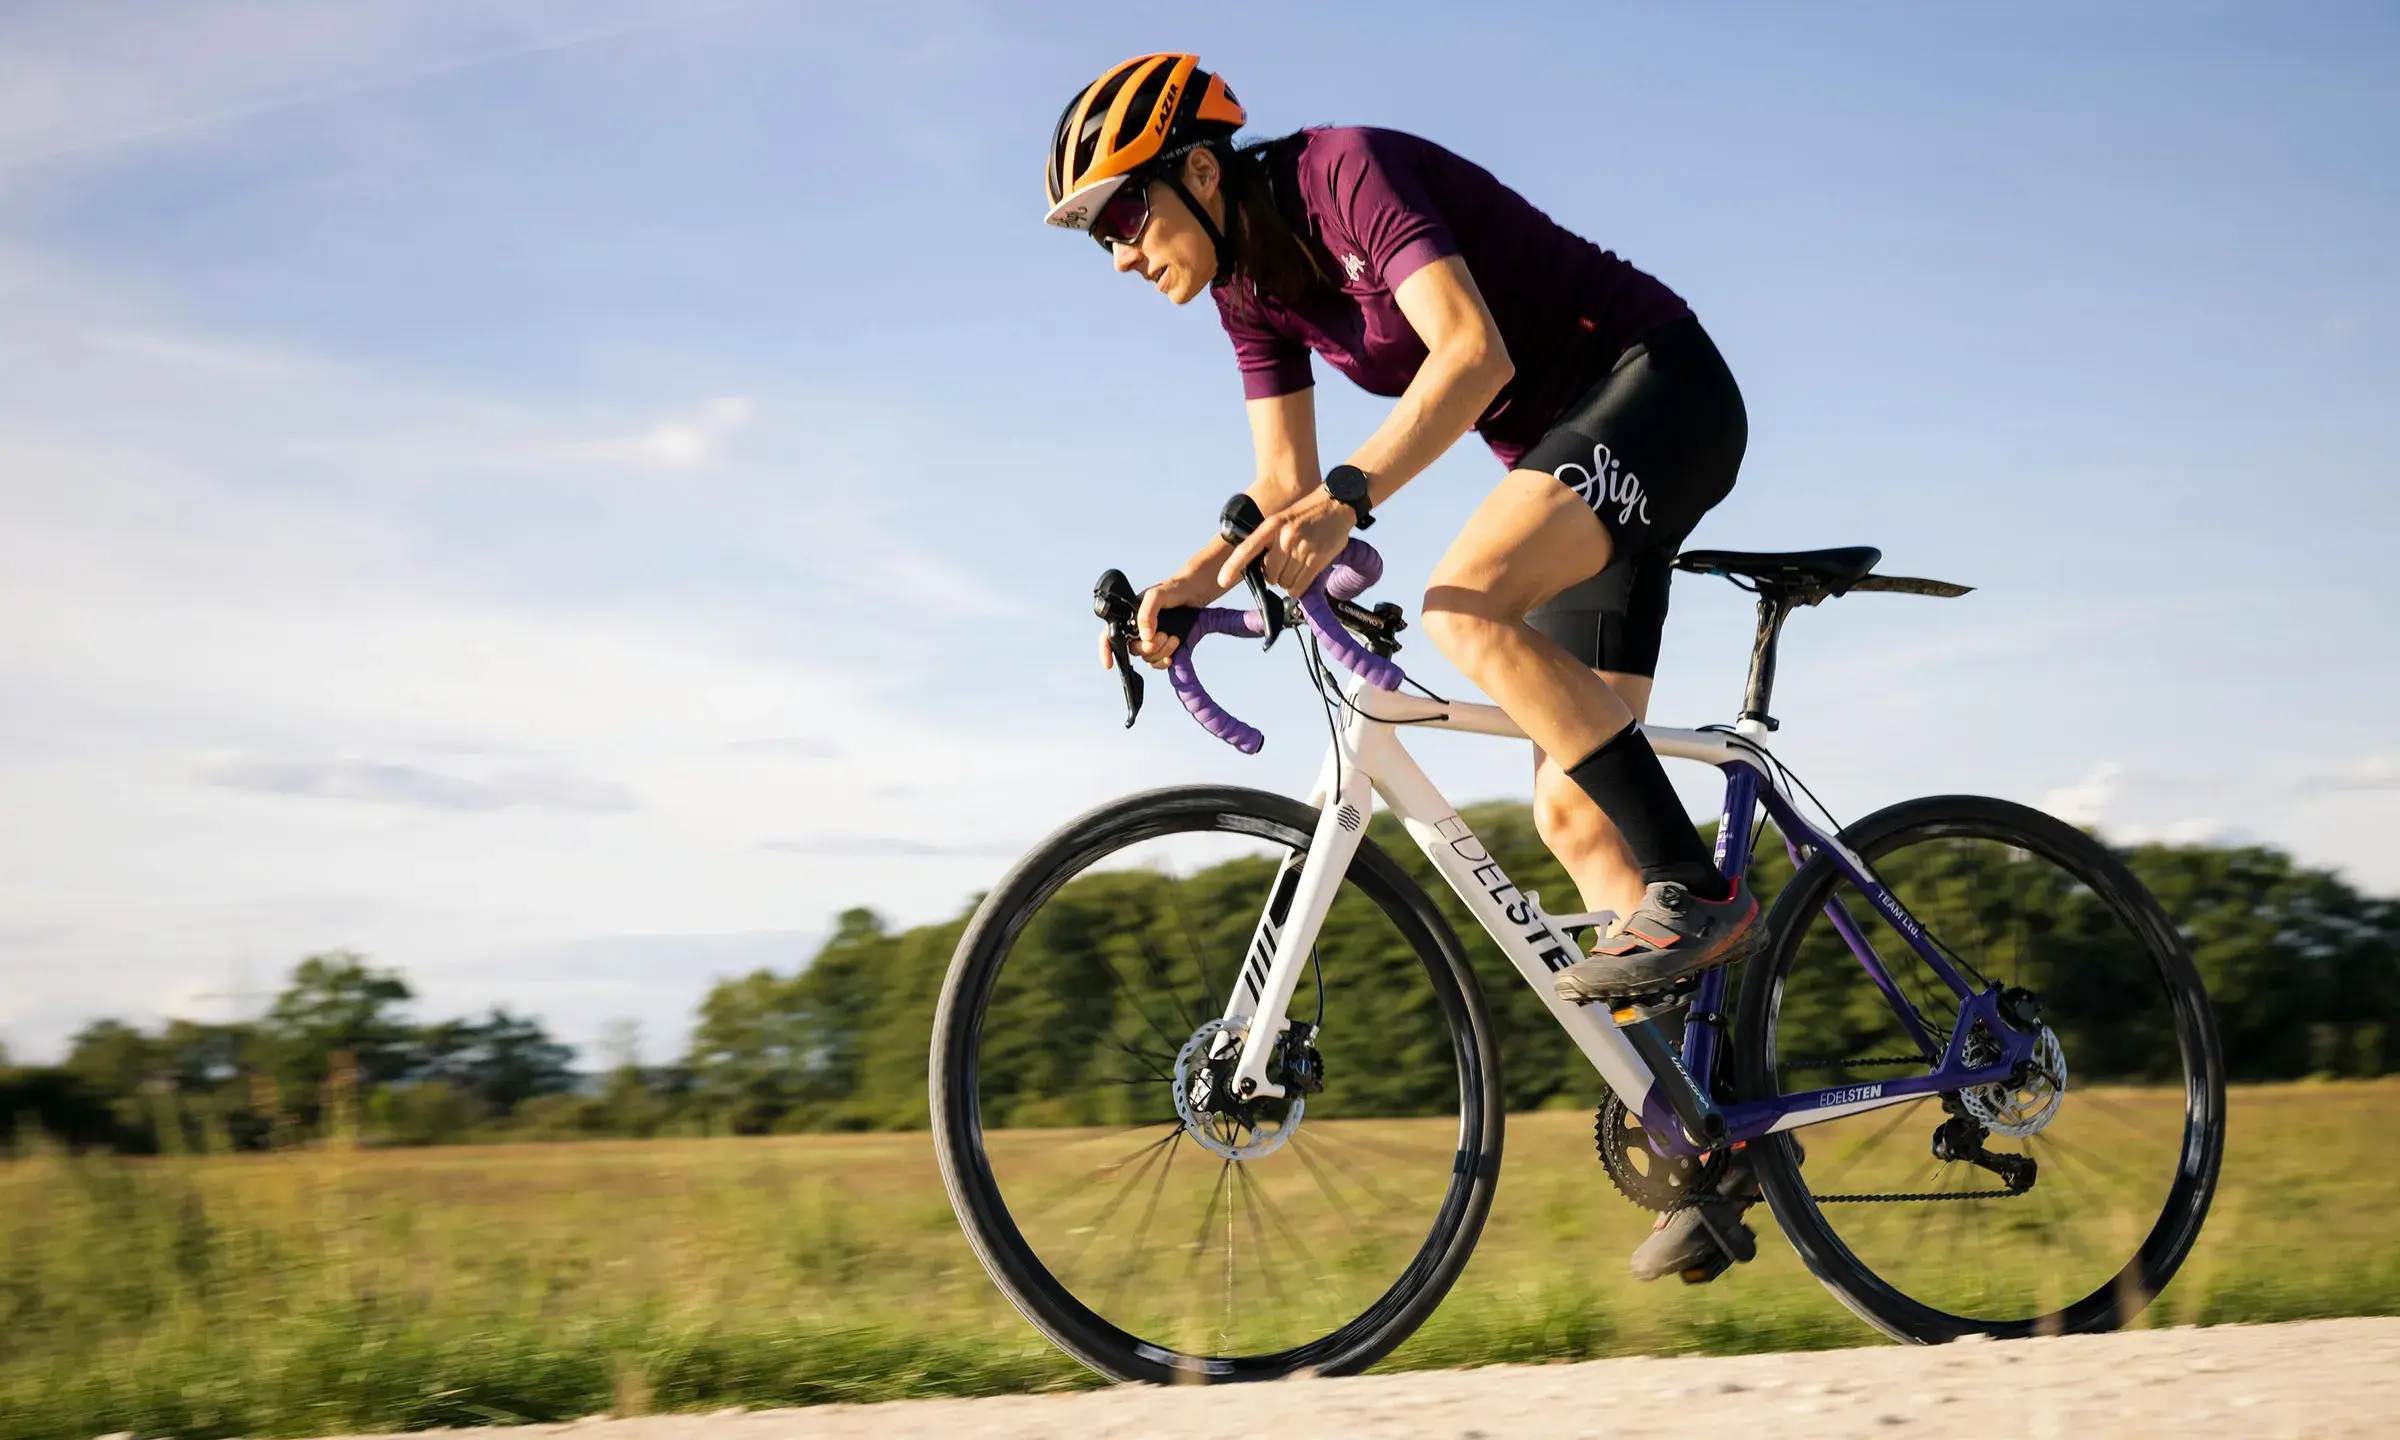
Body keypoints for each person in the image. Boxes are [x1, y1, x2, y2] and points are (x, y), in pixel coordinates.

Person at [1049, 53, 1761, 1281]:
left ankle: (1700, 888)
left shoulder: (1346, 173)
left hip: (1658, 389)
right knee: (1575, 816)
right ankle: (1725, 1133)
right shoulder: (1248, 290)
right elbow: (1281, 485)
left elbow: (1470, 354)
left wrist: (1352, 496)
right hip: (1567, 457)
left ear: (1201, 173)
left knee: (1462, 603)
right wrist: (1191, 581)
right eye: (1099, 236)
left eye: (1124, 215)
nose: (1119, 254)